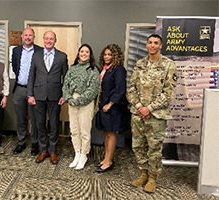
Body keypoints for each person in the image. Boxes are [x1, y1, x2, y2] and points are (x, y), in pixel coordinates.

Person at [127, 34, 177, 193]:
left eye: (156, 43)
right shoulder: (139, 64)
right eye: (150, 43)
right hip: (138, 114)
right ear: (146, 45)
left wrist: (149, 108)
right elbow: (131, 89)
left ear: (160, 46)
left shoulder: (169, 65)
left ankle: (153, 178)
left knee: (154, 148)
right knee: (138, 146)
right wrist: (140, 106)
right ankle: (143, 173)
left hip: (156, 116)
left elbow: (169, 93)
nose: (152, 45)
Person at [27, 31, 68, 165]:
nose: (49, 41)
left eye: (51, 39)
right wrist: (30, 94)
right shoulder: (36, 55)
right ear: (43, 40)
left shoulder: (62, 56)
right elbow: (31, 75)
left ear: (55, 40)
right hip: (38, 95)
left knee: (54, 124)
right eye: (46, 39)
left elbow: (66, 79)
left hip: (55, 96)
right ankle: (43, 150)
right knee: (40, 124)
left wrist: (64, 95)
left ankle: (53, 151)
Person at [62, 44, 100, 170]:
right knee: (74, 129)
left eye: (87, 52)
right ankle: (77, 153)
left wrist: (78, 101)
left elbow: (93, 90)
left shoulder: (93, 70)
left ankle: (84, 155)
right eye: (82, 51)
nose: (84, 54)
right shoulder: (72, 68)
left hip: (85, 103)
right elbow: (65, 85)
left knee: (84, 130)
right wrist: (69, 98)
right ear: (78, 53)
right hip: (72, 101)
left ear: (90, 54)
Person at [95, 44, 130, 173]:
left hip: (113, 107)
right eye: (105, 54)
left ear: (116, 56)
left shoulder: (119, 69)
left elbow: (120, 90)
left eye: (110, 54)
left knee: (111, 133)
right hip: (103, 105)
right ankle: (105, 158)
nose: (107, 57)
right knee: (106, 132)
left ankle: (109, 161)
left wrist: (110, 104)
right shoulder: (105, 69)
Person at [12, 28, 43, 156]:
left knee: (35, 119)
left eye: (30, 35)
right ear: (22, 36)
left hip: (35, 90)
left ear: (34, 37)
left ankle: (35, 143)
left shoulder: (40, 50)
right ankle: (21, 142)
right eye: (25, 35)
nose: (28, 37)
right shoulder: (16, 50)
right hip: (19, 88)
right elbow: (15, 67)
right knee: (20, 118)